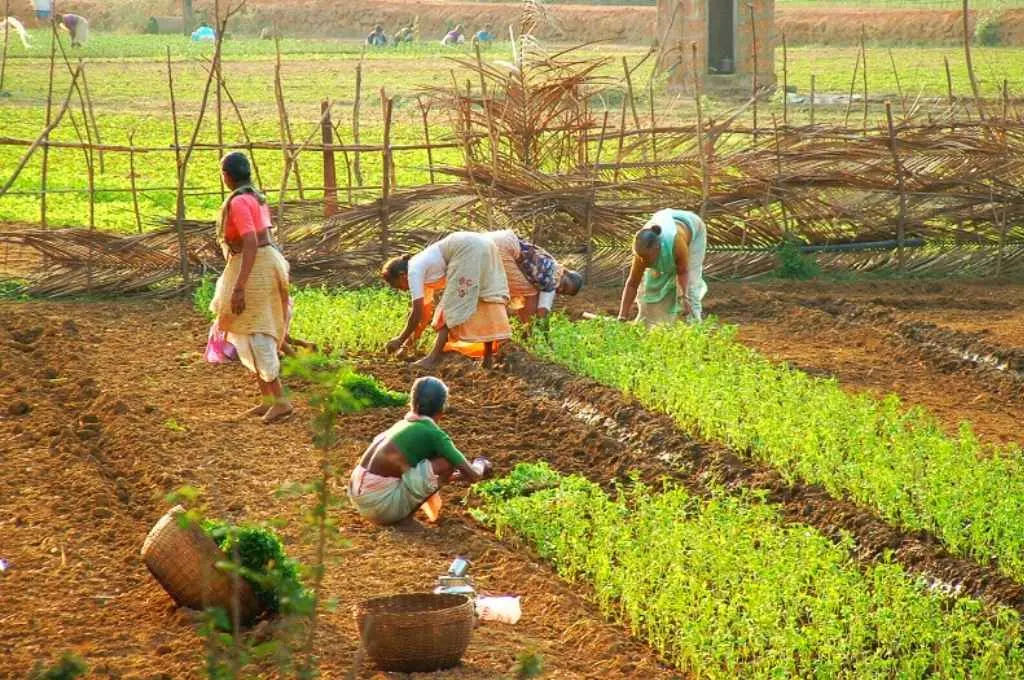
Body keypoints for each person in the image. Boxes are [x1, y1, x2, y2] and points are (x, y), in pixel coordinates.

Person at [208, 152, 294, 424]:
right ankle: (268, 399)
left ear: (227, 176)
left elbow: (251, 242)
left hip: (254, 267)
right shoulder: (255, 197)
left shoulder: (240, 202)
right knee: (246, 329)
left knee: (258, 332)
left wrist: (240, 286)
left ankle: (280, 401)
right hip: (259, 264)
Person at [349, 376, 492, 526]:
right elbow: (473, 475)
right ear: (442, 409)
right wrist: (481, 464)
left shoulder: (402, 425)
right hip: (379, 507)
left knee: (427, 466)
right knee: (446, 462)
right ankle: (405, 519)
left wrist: (456, 477)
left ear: (413, 404)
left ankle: (400, 511)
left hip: (357, 495)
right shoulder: (434, 434)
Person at [381, 231, 511, 369]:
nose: (402, 290)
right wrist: (406, 346)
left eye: (397, 286)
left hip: (468, 249)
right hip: (486, 245)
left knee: (447, 310)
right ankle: (487, 359)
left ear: (402, 276)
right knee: (483, 300)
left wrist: (399, 339)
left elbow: (416, 313)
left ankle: (433, 359)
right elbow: (423, 316)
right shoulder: (420, 267)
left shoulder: (413, 271)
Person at [617, 208, 707, 325]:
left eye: (647, 257)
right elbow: (632, 284)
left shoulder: (676, 243)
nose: (644, 261)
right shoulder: (641, 252)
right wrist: (622, 317)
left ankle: (694, 323)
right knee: (649, 286)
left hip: (692, 226)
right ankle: (649, 323)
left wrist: (684, 297)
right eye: (641, 257)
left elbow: (683, 272)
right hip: (665, 219)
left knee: (691, 285)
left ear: (657, 248)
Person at [486, 229, 583, 323]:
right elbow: (543, 311)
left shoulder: (549, 261)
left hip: (492, 239)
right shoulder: (553, 277)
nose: (560, 289)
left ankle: (526, 331)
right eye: (565, 285)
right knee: (531, 294)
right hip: (505, 249)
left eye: (563, 292)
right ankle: (529, 334)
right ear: (565, 272)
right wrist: (543, 334)